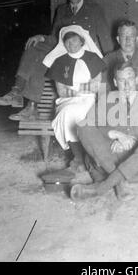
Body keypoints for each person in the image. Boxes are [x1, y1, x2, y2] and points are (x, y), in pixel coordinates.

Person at [0, 0, 113, 121]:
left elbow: (105, 38)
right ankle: (16, 92)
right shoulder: (61, 10)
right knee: (34, 47)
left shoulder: (94, 9)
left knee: (45, 60)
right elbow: (56, 37)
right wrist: (41, 37)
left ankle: (31, 107)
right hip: (63, 48)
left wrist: (110, 64)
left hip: (82, 53)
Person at [70, 62, 138, 201]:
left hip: (137, 159)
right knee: (83, 128)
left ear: (136, 80)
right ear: (115, 82)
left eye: (130, 79)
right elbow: (89, 124)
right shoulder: (106, 99)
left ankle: (103, 187)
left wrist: (132, 142)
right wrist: (115, 135)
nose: (127, 85)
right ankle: (119, 181)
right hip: (110, 156)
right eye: (121, 80)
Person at [44, 25, 106, 171]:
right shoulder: (59, 62)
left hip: (90, 99)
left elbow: (96, 86)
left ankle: (86, 156)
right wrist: (83, 88)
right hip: (67, 101)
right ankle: (77, 156)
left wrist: (74, 89)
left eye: (74, 41)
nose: (71, 45)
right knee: (68, 112)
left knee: (80, 113)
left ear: (82, 41)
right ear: (63, 44)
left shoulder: (93, 58)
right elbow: (61, 92)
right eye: (67, 42)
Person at [103, 20, 138, 92]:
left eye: (132, 36)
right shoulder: (107, 60)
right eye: (123, 36)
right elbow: (103, 90)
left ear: (136, 39)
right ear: (118, 39)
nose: (128, 40)